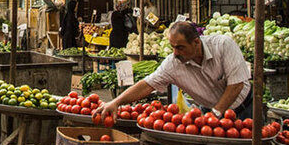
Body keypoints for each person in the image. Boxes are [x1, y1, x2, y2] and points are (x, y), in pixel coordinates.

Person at [96, 20, 252, 120]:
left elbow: (236, 84)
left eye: (180, 47)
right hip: (210, 112)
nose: (175, 52)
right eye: (173, 47)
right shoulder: (173, 63)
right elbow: (147, 84)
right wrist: (116, 102)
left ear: (196, 42)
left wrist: (217, 113)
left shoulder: (223, 46)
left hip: (243, 108)